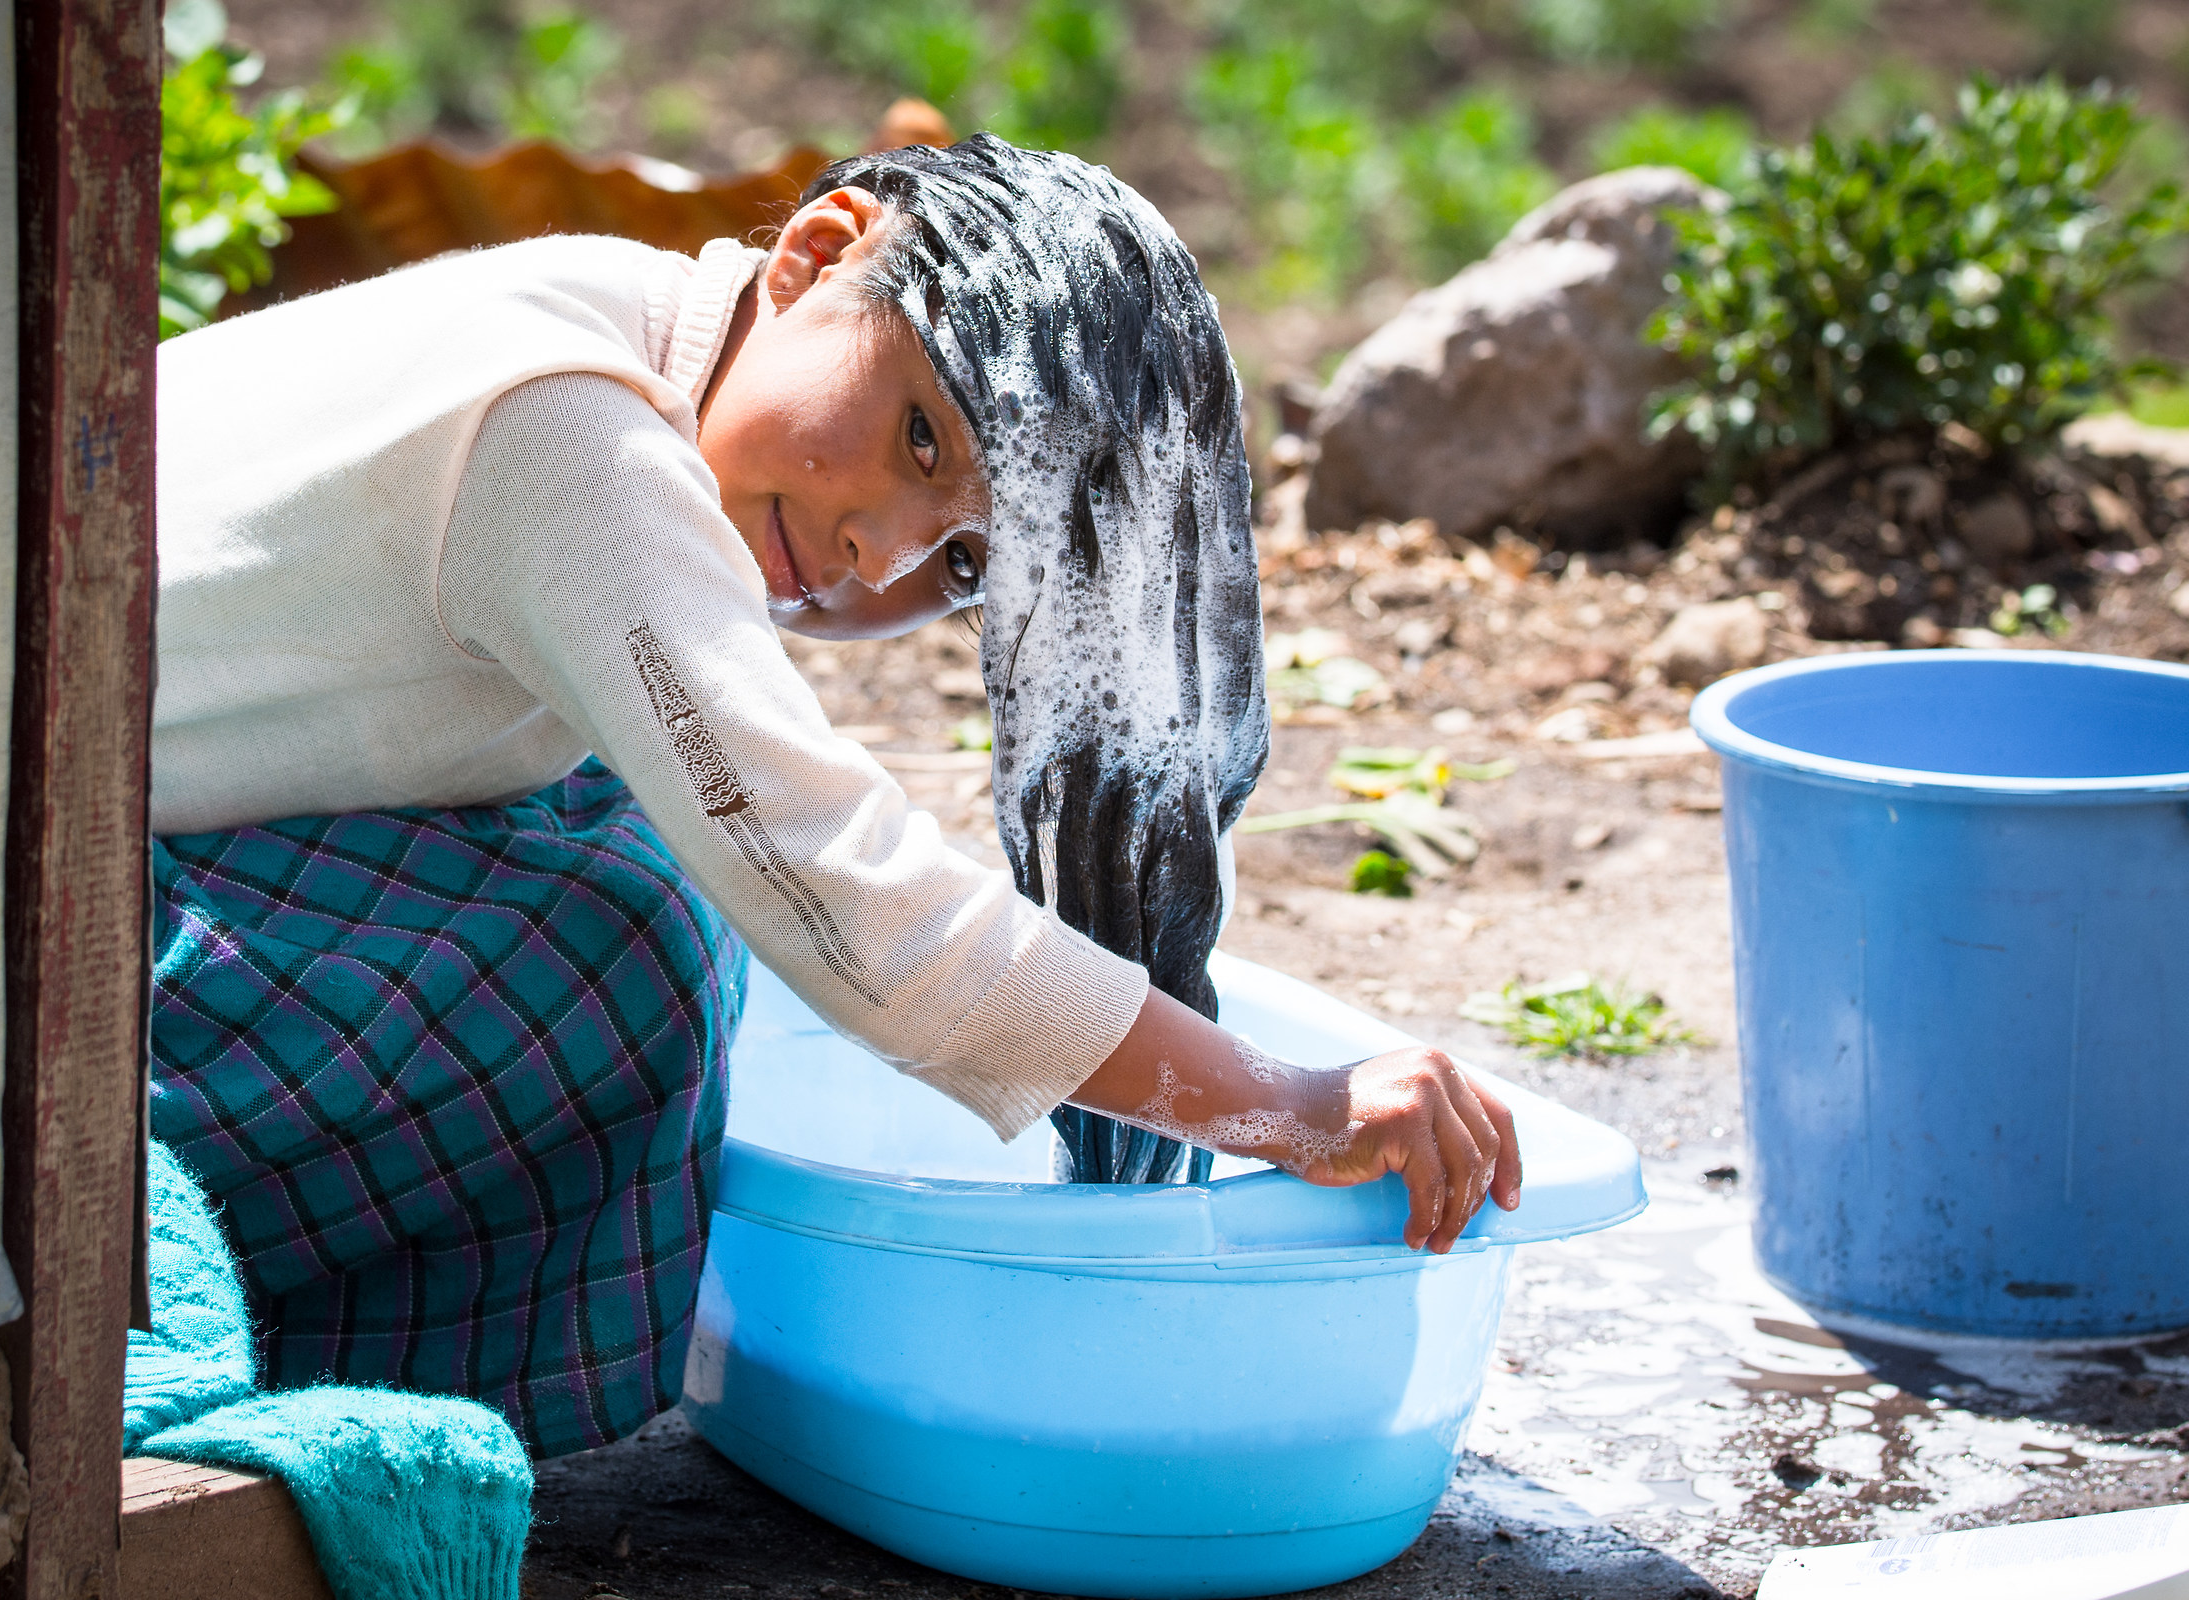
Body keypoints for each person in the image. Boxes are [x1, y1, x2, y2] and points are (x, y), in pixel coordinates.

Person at [149, 134, 1523, 1463]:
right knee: (618, 948)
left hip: (64, 856)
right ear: (815, 254)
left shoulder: (612, 321)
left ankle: (290, 1343)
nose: (881, 557)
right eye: (923, 439)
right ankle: (160, 1307)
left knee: (627, 845)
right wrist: (1284, 1107)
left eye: (968, 560)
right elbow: (864, 914)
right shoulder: (566, 436)